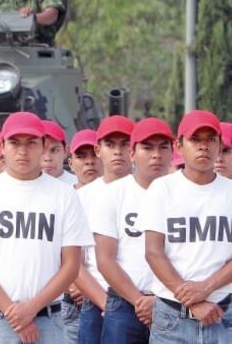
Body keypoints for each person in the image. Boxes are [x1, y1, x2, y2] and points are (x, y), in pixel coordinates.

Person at [0, 111, 93, 344]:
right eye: (15, 143)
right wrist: (14, 312)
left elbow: (71, 264)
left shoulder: (65, 195)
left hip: (48, 318)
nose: (22, 150)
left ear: (43, 146)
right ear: (2, 147)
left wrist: (31, 309)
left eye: (31, 143)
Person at [141, 109, 232, 344]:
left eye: (210, 140)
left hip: (221, 312)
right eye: (195, 140)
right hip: (171, 315)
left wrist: (205, 289)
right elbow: (153, 252)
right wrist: (193, 300)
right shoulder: (162, 189)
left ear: (219, 145)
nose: (203, 147)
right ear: (179, 146)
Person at [91, 117, 174, 344]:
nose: (156, 154)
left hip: (172, 302)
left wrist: (159, 300)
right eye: (147, 148)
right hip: (124, 303)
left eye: (163, 147)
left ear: (173, 150)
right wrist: (139, 301)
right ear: (132, 152)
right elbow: (105, 259)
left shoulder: (186, 194)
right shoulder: (114, 194)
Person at [74, 116, 135, 344]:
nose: (118, 151)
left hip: (146, 301)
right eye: (110, 145)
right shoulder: (81, 198)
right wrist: (104, 303)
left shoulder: (155, 192)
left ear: (135, 148)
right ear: (98, 150)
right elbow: (73, 262)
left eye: (125, 144)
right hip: (97, 299)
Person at [62, 129, 101, 344]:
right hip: (71, 301)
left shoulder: (122, 195)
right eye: (81, 156)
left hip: (110, 298)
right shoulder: (63, 198)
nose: (89, 162)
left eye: (93, 154)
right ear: (71, 163)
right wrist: (73, 282)